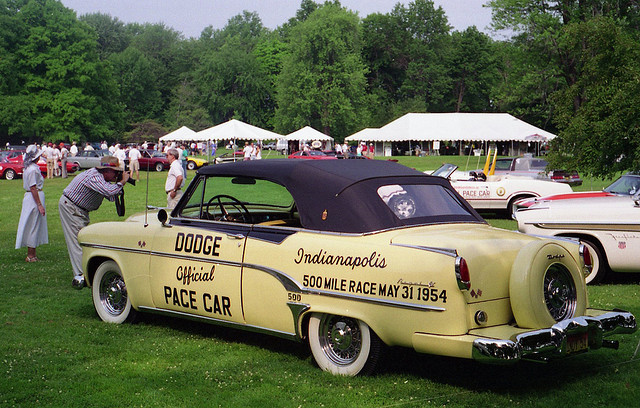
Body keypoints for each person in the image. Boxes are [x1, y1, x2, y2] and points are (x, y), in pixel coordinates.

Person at [59, 156, 130, 289]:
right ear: (106, 170)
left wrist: (118, 184)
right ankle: (81, 276)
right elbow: (110, 191)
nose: (116, 175)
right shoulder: (94, 177)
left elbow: (110, 197)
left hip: (79, 210)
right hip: (72, 208)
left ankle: (83, 273)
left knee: (82, 241)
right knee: (78, 241)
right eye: (115, 172)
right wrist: (122, 182)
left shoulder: (101, 178)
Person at [16, 144, 48, 262]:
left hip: (30, 197)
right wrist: (39, 204)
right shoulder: (33, 169)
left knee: (32, 224)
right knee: (33, 224)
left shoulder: (28, 168)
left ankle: (32, 254)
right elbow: (33, 187)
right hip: (34, 198)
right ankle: (31, 255)